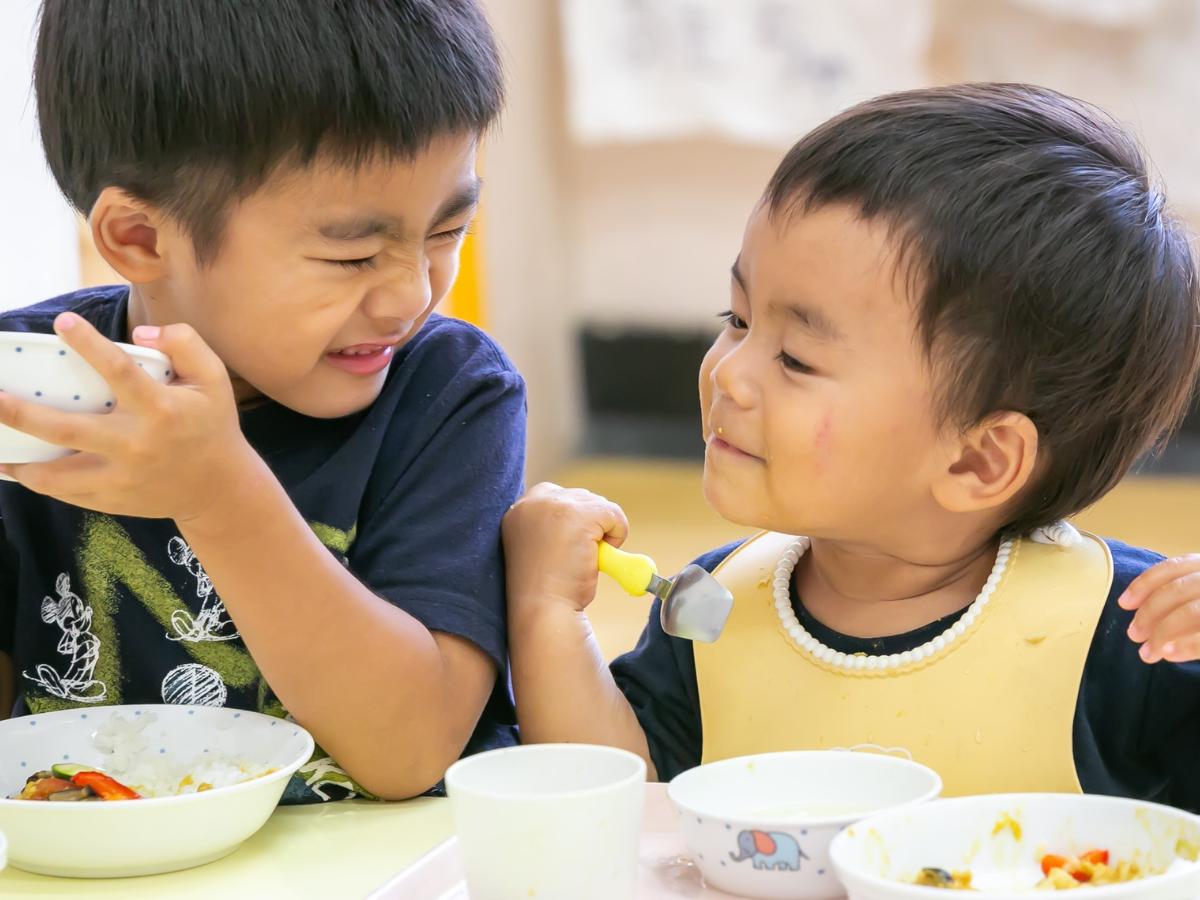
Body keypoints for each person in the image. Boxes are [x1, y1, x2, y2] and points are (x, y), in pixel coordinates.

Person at [504, 84, 1200, 811]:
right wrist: (547, 612)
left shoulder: (1126, 634)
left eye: (797, 359)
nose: (728, 372)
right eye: (736, 318)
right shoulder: (715, 611)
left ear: (978, 461)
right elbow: (617, 815)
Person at [0, 0, 524, 803]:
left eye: (446, 231)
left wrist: (217, 490)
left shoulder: (449, 394)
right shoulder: (31, 393)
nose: (411, 296)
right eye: (350, 256)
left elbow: (411, 749)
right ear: (140, 238)